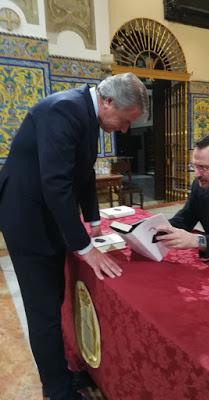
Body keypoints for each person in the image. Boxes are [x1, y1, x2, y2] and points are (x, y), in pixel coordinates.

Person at [0, 73, 149, 400]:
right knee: (44, 310)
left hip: (46, 215)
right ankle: (57, 390)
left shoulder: (87, 113)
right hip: (27, 219)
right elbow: (56, 183)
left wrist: (93, 221)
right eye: (124, 121)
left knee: (55, 297)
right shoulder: (64, 110)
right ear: (108, 102)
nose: (124, 130)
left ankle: (62, 372)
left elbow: (82, 174)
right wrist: (85, 247)